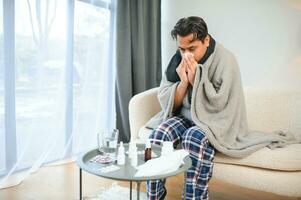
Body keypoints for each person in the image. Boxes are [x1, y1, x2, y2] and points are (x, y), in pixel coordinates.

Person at [144, 16, 299, 200]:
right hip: (185, 117)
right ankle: (154, 197)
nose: (186, 55)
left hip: (214, 123)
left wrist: (197, 79)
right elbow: (169, 102)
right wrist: (184, 82)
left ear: (206, 40)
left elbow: (221, 104)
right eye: (182, 49)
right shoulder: (176, 61)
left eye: (192, 49)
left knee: (193, 138)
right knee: (158, 135)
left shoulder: (226, 59)